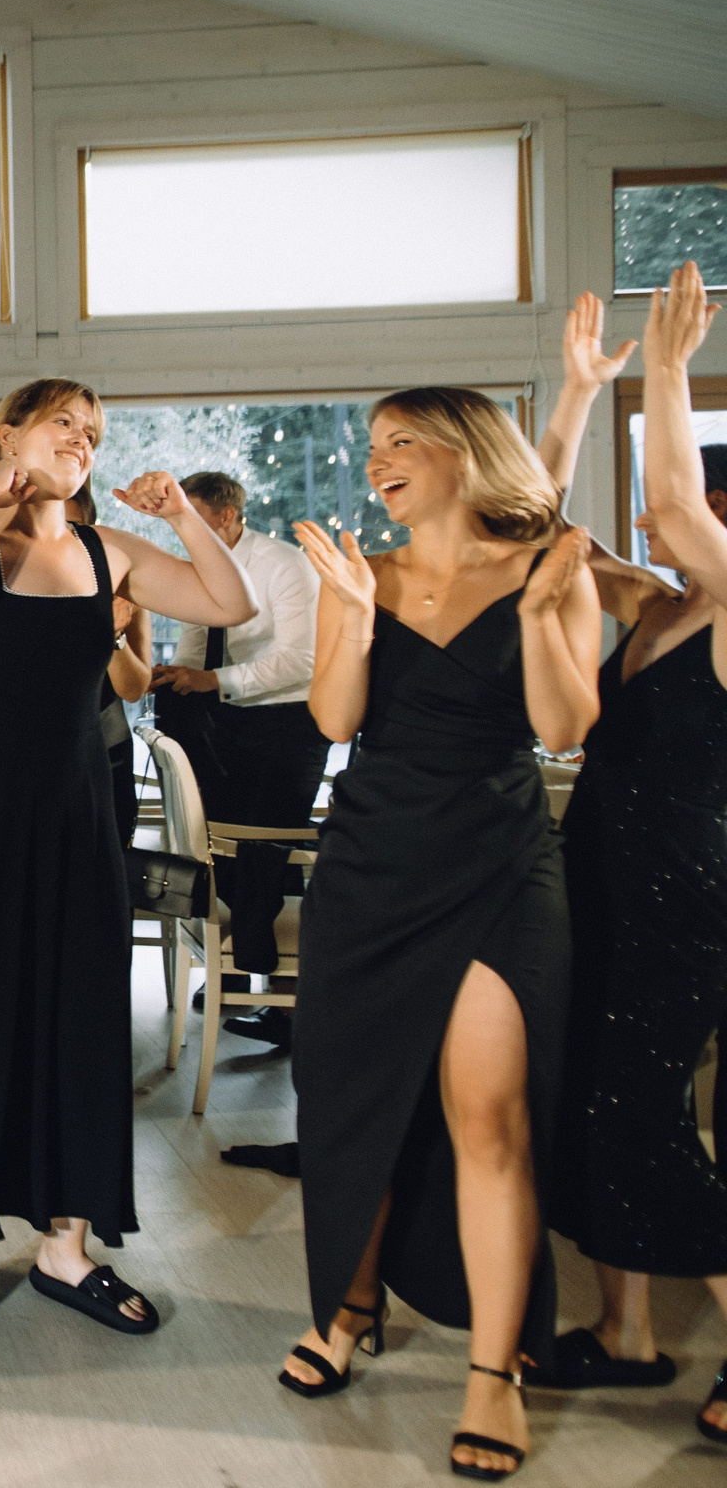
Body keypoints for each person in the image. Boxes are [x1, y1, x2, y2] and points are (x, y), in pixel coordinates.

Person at [0, 379, 255, 1347]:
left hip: (75, 819)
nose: (81, 439)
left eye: (93, 431)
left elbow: (227, 598)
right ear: (10, 432)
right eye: (62, 421)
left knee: (76, 1020)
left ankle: (67, 1247)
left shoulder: (109, 553)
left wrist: (183, 512)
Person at [280, 388, 598, 1482]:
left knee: (487, 1114)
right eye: (372, 447)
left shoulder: (547, 561)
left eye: (402, 440)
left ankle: (492, 1372)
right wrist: (354, 617)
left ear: (467, 451)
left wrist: (548, 611)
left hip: (496, 865)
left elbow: (564, 727)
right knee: (356, 1095)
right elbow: (332, 721)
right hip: (370, 869)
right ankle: (348, 1302)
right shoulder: (362, 569)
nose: (380, 462)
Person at [531, 266, 727, 1443]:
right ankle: (626, 1332)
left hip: (682, 894)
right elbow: (542, 531)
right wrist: (576, 389)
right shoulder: (656, 607)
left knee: (647, 1110)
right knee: (594, 1107)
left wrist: (663, 366)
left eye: (685, 507)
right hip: (595, 878)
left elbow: (673, 493)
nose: (656, 514)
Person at [155, 472, 326, 1045]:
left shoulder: (284, 564)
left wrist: (213, 679)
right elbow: (195, 640)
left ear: (227, 516)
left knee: (270, 846)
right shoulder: (202, 565)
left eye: (194, 518)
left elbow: (301, 660)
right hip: (229, 718)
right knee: (221, 846)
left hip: (289, 721)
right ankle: (235, 965)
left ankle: (289, 1003)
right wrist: (178, 673)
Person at [65, 490, 153, 853]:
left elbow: (133, 689)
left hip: (105, 750)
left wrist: (113, 636)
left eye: (71, 526)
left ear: (91, 530)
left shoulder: (123, 588)